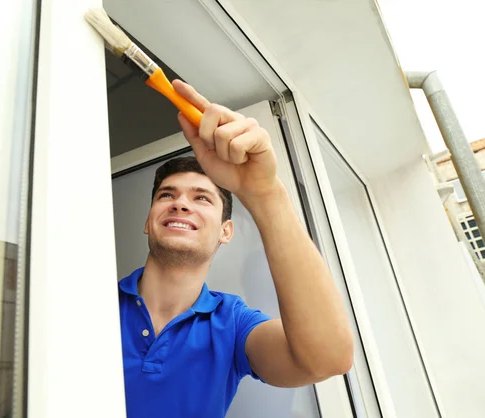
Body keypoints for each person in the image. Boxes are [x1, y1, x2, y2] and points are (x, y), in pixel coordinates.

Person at [117, 80, 354, 418]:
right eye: (167, 195)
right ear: (148, 220)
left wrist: (264, 192)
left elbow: (328, 359)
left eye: (201, 198)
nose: (181, 204)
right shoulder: (95, 306)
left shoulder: (233, 323)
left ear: (225, 231)